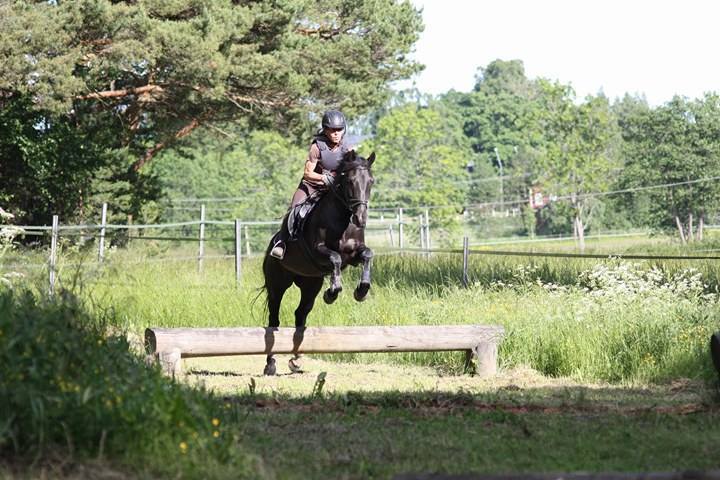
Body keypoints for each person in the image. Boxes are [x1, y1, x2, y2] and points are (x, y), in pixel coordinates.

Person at [270, 110, 353, 259]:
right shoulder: (317, 147)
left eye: (339, 130)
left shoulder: (347, 147)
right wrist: (323, 178)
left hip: (334, 188)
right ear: (326, 130)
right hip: (311, 185)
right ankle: (281, 242)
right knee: (295, 208)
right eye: (332, 130)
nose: (336, 133)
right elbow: (308, 173)